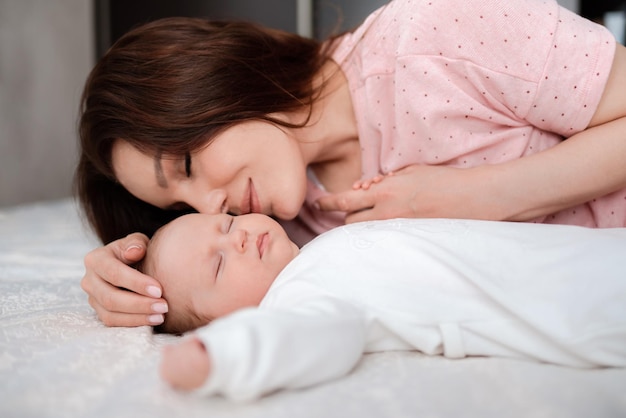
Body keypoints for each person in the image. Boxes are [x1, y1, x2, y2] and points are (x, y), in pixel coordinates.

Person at [76, 0, 626, 328]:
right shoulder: (285, 235)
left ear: (213, 82)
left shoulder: (435, 34)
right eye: (180, 207)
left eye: (188, 165)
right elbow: (199, 278)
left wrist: (483, 195)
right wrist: (130, 282)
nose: (209, 206)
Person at [139, 212, 626, 401]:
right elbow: (308, 338)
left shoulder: (313, 251)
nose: (240, 237)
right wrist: (220, 356)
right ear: (230, 320)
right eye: (219, 267)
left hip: (572, 254)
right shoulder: (300, 298)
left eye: (225, 224)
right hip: (573, 305)